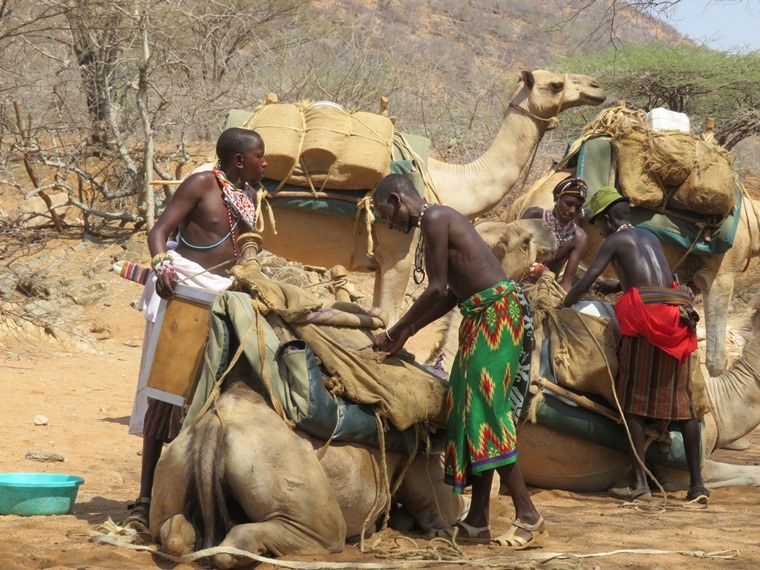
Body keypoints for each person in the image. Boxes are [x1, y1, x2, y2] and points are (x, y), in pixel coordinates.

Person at [371, 173, 547, 549]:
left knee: (485, 408)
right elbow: (451, 294)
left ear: (395, 201)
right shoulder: (436, 222)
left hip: (499, 314)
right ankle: (478, 520)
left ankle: (528, 514)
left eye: (384, 213)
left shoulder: (435, 218)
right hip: (478, 315)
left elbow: (436, 288)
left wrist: (396, 328)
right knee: (466, 409)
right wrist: (409, 329)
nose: (388, 223)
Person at [124, 127, 266, 528]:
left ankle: (196, 493)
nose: (265, 163)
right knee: (166, 392)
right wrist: (162, 264)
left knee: (214, 394)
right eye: (260, 156)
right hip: (184, 295)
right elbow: (159, 232)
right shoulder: (201, 184)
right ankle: (145, 498)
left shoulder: (249, 196)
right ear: (239, 160)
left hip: (225, 299)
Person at [562, 186, 708, 505]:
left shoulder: (614, 240)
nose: (598, 230)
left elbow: (585, 282)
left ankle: (640, 483)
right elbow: (657, 276)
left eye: (598, 224)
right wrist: (617, 284)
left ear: (607, 220)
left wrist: (564, 302)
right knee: (684, 407)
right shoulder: (649, 237)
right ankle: (698, 485)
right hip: (676, 315)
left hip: (647, 322)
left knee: (633, 403)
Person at [521, 176, 589, 292]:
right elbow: (513, 253)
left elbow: (566, 282)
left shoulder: (579, 237)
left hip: (543, 291)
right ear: (556, 199)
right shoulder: (534, 215)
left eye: (578, 208)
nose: (572, 211)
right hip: (513, 281)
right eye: (569, 204)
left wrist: (563, 303)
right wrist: (537, 269)